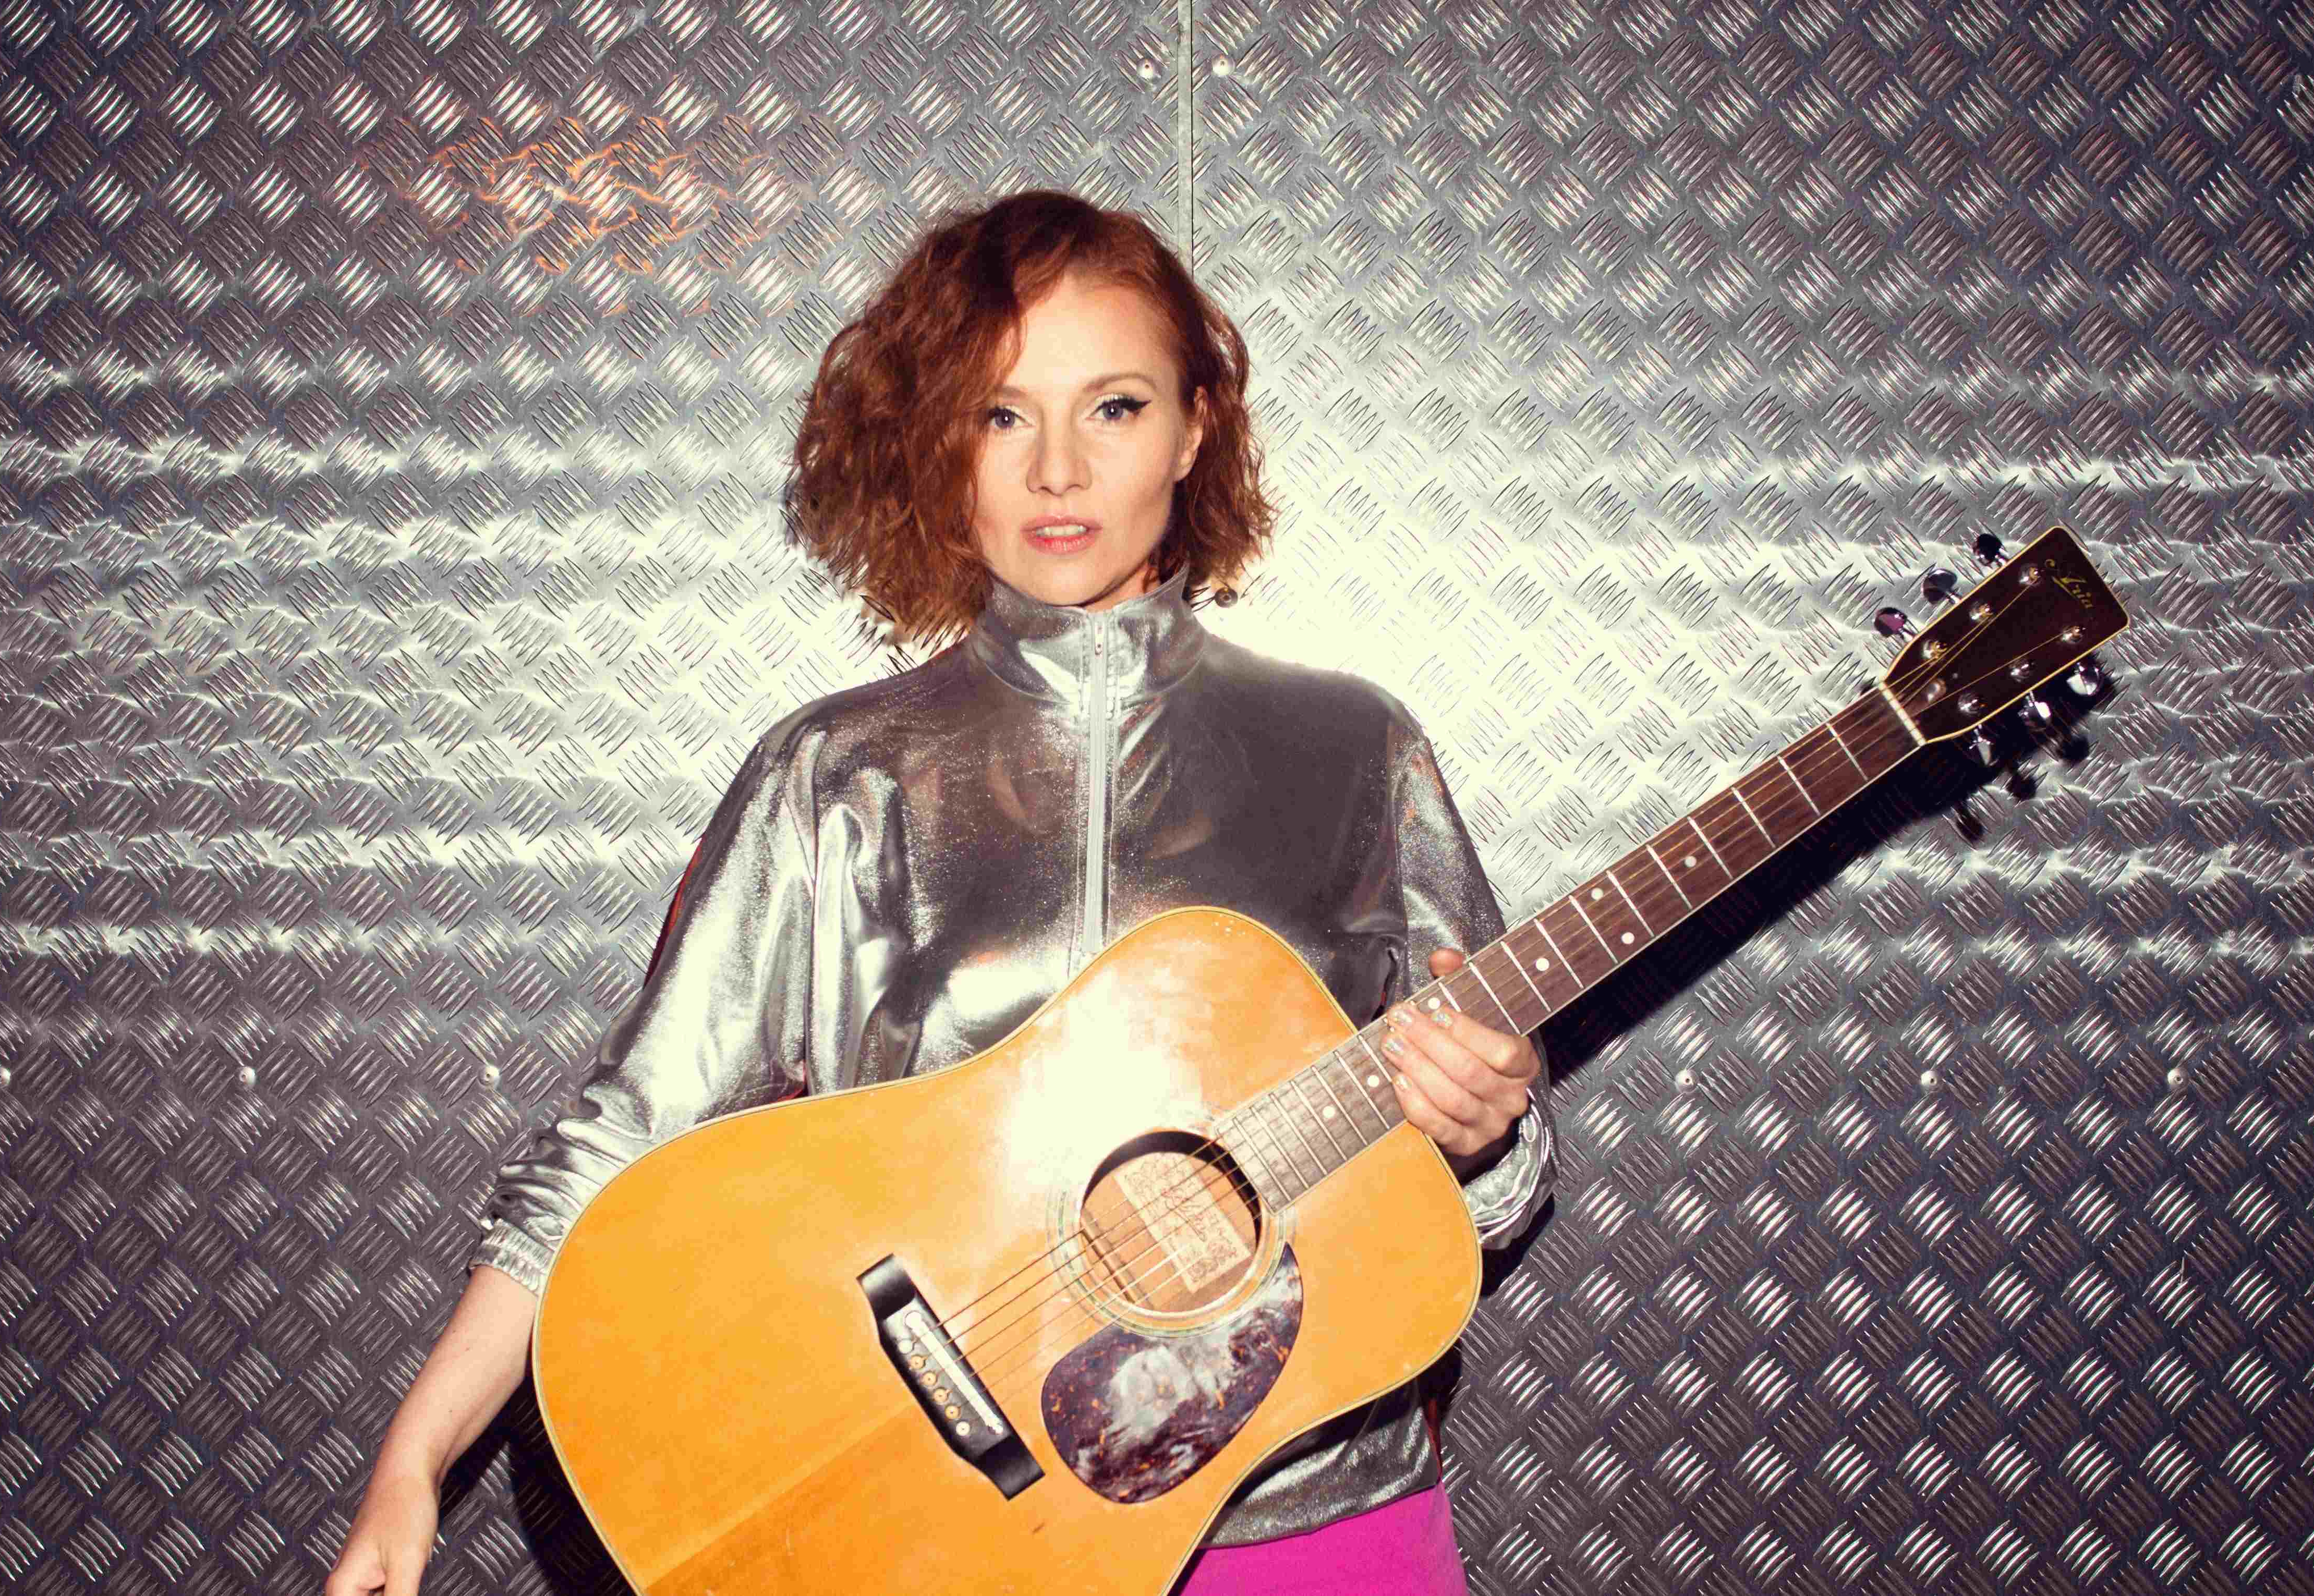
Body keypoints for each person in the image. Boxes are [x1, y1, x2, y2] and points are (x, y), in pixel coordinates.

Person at [326, 189, 1550, 1596]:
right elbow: (624, 1140)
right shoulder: (835, 775)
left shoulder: (1354, 749)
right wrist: (419, 1453)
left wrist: (1484, 1136)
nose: (1057, 472)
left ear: (1193, 429)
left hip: (1314, 1521)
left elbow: (1489, 1173)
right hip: (937, 1541)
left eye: (1114, 408)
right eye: (999, 415)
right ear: (940, 445)